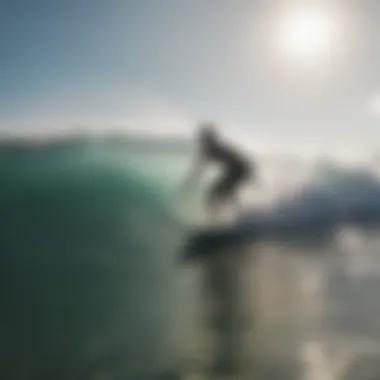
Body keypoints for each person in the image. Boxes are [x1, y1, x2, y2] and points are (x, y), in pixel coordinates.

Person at [182, 122, 255, 223]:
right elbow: (199, 169)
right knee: (218, 195)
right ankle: (229, 218)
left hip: (240, 170)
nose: (201, 141)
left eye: (204, 138)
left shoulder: (217, 148)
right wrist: (190, 182)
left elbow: (238, 162)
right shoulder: (210, 150)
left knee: (216, 194)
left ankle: (227, 219)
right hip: (237, 171)